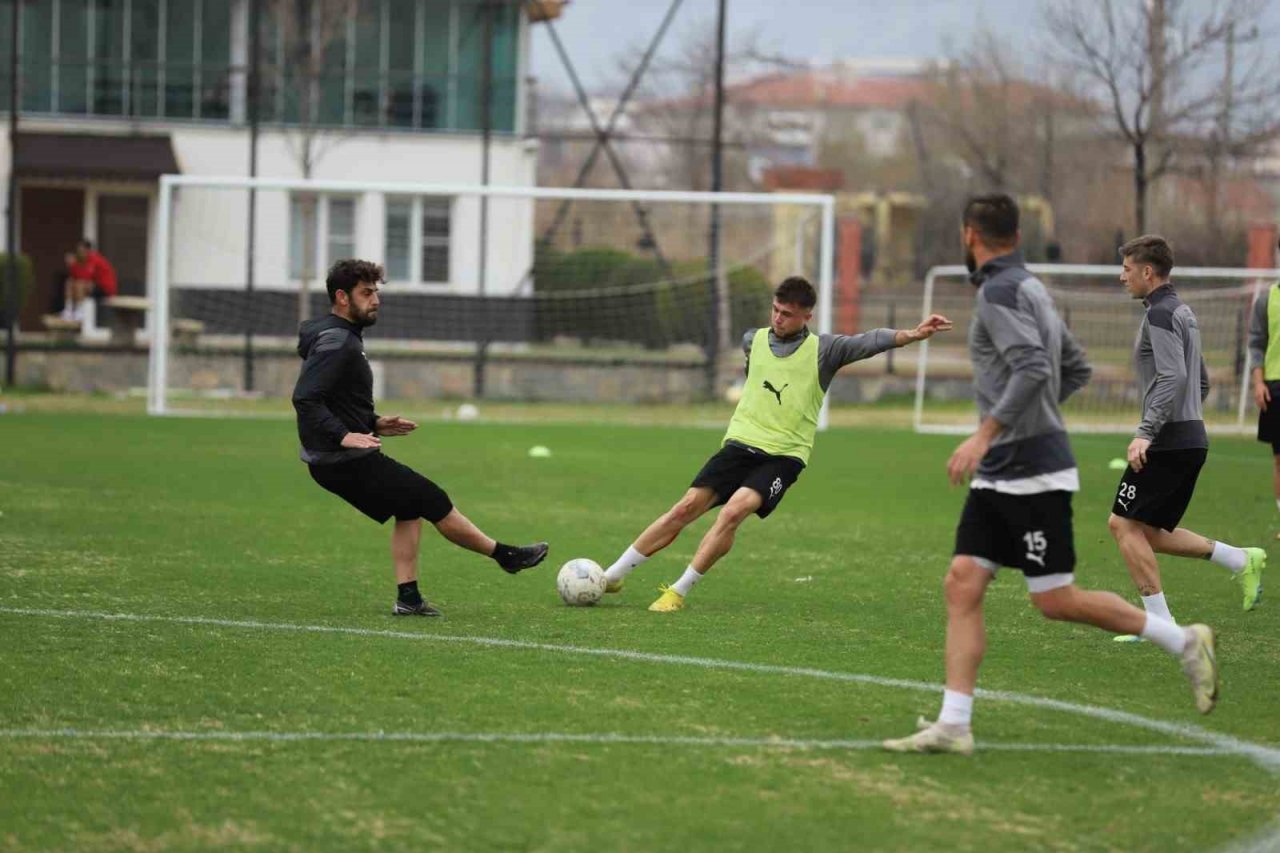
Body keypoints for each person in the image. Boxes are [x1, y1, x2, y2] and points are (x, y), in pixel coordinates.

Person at [882, 196, 1219, 757]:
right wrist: (1024, 425)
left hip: (1030, 472)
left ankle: (1182, 640)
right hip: (1004, 470)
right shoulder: (1032, 287)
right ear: (1016, 234)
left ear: (970, 235)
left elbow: (1037, 366)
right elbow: (1075, 366)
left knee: (1056, 600)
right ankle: (954, 723)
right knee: (962, 582)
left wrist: (988, 433)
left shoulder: (998, 293)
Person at [599, 275, 954, 612]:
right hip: (740, 445)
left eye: (787, 314)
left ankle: (679, 590)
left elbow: (870, 341)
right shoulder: (752, 340)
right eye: (775, 310)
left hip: (784, 456)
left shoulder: (825, 350)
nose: (778, 318)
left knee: (734, 510)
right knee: (685, 508)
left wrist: (912, 334)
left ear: (806, 316)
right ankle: (613, 576)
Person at [292, 259, 548, 617]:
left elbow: (338, 398)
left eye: (376, 292)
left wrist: (374, 422)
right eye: (366, 293)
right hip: (340, 460)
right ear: (342, 297)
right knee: (431, 498)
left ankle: (408, 598)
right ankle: (505, 555)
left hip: (339, 456)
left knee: (409, 506)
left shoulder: (341, 336)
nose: (375, 300)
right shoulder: (338, 341)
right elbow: (306, 398)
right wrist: (345, 435)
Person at [1108, 236, 1264, 640]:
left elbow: (1176, 376)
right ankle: (1239, 559)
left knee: (1122, 525)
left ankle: (1160, 625)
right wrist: (1187, 419)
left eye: (1127, 268)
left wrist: (1148, 432)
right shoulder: (1182, 310)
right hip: (1188, 436)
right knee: (1145, 531)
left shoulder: (1160, 313)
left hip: (1169, 439)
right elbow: (1202, 381)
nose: (1121, 275)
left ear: (1147, 271)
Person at [1247, 245, 1280, 538]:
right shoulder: (1266, 299)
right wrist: (1258, 382)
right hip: (1275, 386)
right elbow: (1256, 343)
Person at [59, 239, 117, 323]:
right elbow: (75, 276)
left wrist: (73, 264)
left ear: (87, 251)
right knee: (69, 282)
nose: (79, 254)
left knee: (80, 284)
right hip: (95, 286)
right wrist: (72, 266)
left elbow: (84, 277)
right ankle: (68, 310)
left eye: (81, 251)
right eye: (78, 251)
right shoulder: (82, 261)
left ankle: (79, 312)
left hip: (106, 290)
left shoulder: (94, 259)